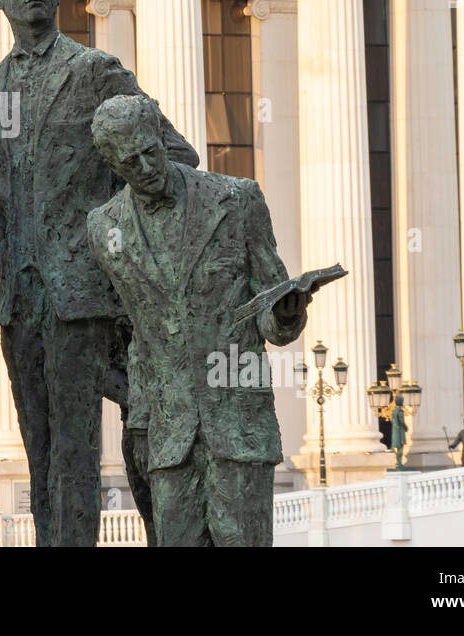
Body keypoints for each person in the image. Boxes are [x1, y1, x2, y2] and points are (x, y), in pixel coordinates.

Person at [0, 0, 199, 547]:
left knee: (75, 456)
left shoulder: (95, 71)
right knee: (41, 453)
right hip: (19, 301)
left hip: (86, 297)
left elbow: (173, 156)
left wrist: (111, 234)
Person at [86, 95, 309, 547]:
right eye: (131, 161)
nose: (146, 166)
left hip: (238, 425)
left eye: (151, 151)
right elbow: (124, 327)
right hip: (168, 434)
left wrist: (286, 315)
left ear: (164, 140)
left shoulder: (236, 200)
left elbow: (271, 302)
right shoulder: (104, 228)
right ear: (113, 164)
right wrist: (139, 414)